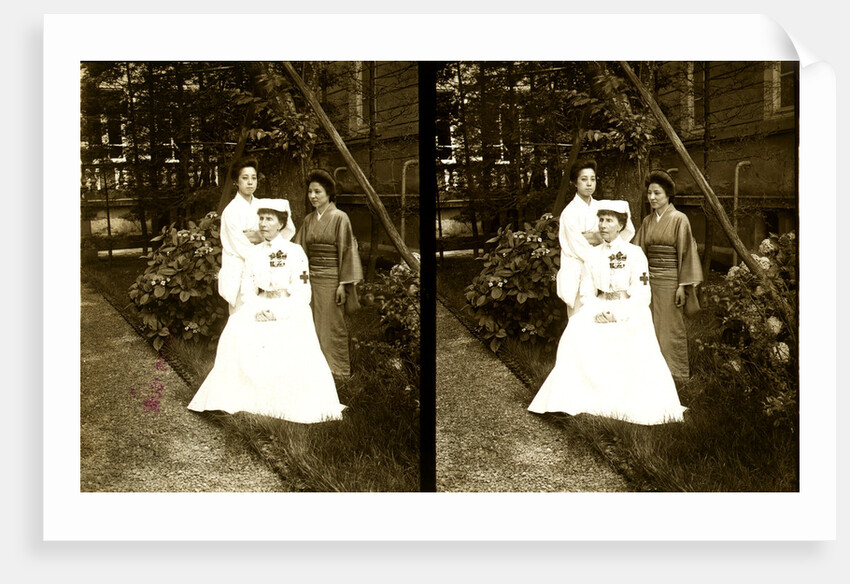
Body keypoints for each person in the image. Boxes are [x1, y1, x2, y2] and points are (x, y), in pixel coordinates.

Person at [188, 198, 345, 423]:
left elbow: (302, 291)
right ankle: (235, 396)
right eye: (260, 218)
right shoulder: (254, 253)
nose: (262, 224)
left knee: (283, 337)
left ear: (280, 223)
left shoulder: (295, 251)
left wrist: (278, 313)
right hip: (259, 305)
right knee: (235, 329)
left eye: (269, 219)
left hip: (288, 307)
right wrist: (255, 308)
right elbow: (247, 287)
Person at [528, 200, 685, 425]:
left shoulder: (635, 254)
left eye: (608, 220)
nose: (602, 225)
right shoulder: (592, 255)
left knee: (626, 333)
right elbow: (587, 292)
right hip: (599, 307)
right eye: (600, 220)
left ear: (620, 225)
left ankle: (623, 400)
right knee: (575, 330)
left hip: (629, 308)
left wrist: (619, 315)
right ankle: (574, 396)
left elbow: (642, 293)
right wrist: (595, 311)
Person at [632, 170, 703, 381]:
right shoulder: (647, 221)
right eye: (650, 193)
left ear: (668, 195)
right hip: (649, 280)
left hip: (672, 281)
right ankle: (651, 373)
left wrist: (683, 285)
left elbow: (687, 252)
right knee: (648, 325)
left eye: (657, 193)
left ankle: (676, 373)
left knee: (671, 328)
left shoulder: (680, 219)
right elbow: (637, 251)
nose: (652, 198)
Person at [294, 169, 364, 379]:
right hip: (310, 279)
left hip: (332, 279)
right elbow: (299, 249)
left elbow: (347, 251)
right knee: (311, 324)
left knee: (333, 326)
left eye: (318, 192)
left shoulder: (340, 218)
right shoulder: (308, 220)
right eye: (310, 192)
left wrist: (343, 283)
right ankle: (316, 372)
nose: (313, 196)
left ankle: (338, 370)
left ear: (329, 194)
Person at [557, 159, 634, 318]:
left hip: (603, 265)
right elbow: (577, 246)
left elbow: (621, 231)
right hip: (580, 266)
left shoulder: (601, 207)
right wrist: (599, 243)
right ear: (575, 183)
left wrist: (596, 238)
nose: (589, 184)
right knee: (579, 317)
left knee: (602, 316)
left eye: (592, 179)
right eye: (584, 179)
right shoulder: (569, 212)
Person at [218, 156, 265, 315]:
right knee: (241, 318)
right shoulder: (230, 211)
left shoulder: (262, 206)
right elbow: (239, 244)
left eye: (254, 177)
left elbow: (276, 234)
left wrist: (256, 236)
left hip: (261, 268)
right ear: (236, 182)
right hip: (240, 269)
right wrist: (260, 237)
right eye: (245, 178)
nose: (250, 182)